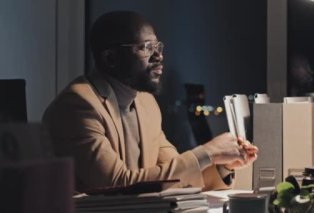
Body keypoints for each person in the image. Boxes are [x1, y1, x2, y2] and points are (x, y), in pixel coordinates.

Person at [42, 11, 258, 192]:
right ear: (110, 58)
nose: (159, 56)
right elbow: (115, 186)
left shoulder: (146, 103)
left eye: (158, 47)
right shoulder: (77, 106)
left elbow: (173, 175)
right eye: (146, 48)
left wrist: (222, 165)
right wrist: (207, 153)